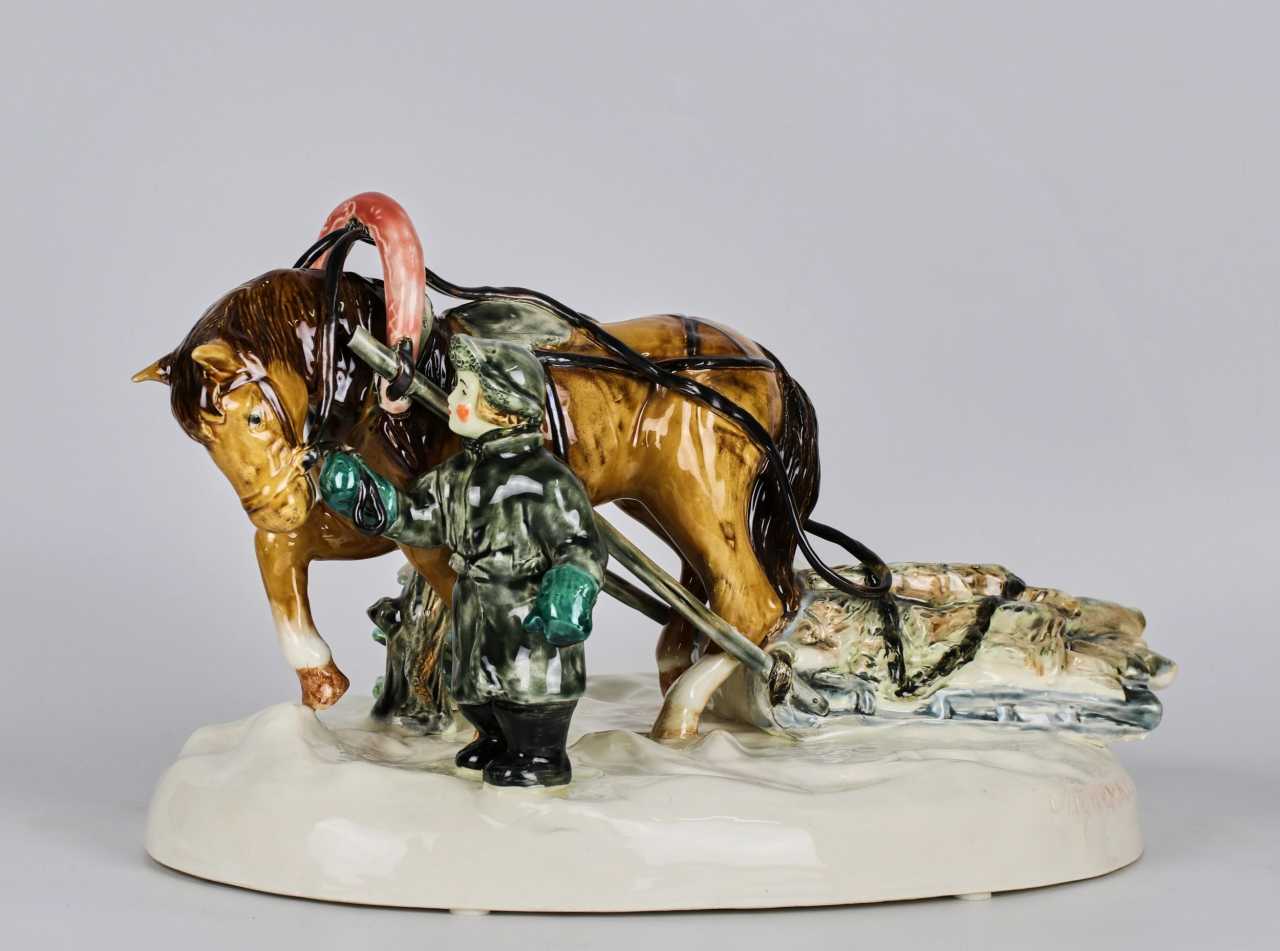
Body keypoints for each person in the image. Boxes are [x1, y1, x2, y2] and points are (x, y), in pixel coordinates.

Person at [318, 334, 606, 788]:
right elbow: (418, 516)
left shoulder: (546, 481)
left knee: (526, 685)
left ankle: (540, 755)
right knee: (474, 687)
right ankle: (494, 739)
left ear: (505, 409)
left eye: (464, 391)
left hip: (523, 610)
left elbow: (579, 543)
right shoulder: (456, 475)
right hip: (474, 608)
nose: (451, 399)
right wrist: (366, 495)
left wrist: (570, 586)